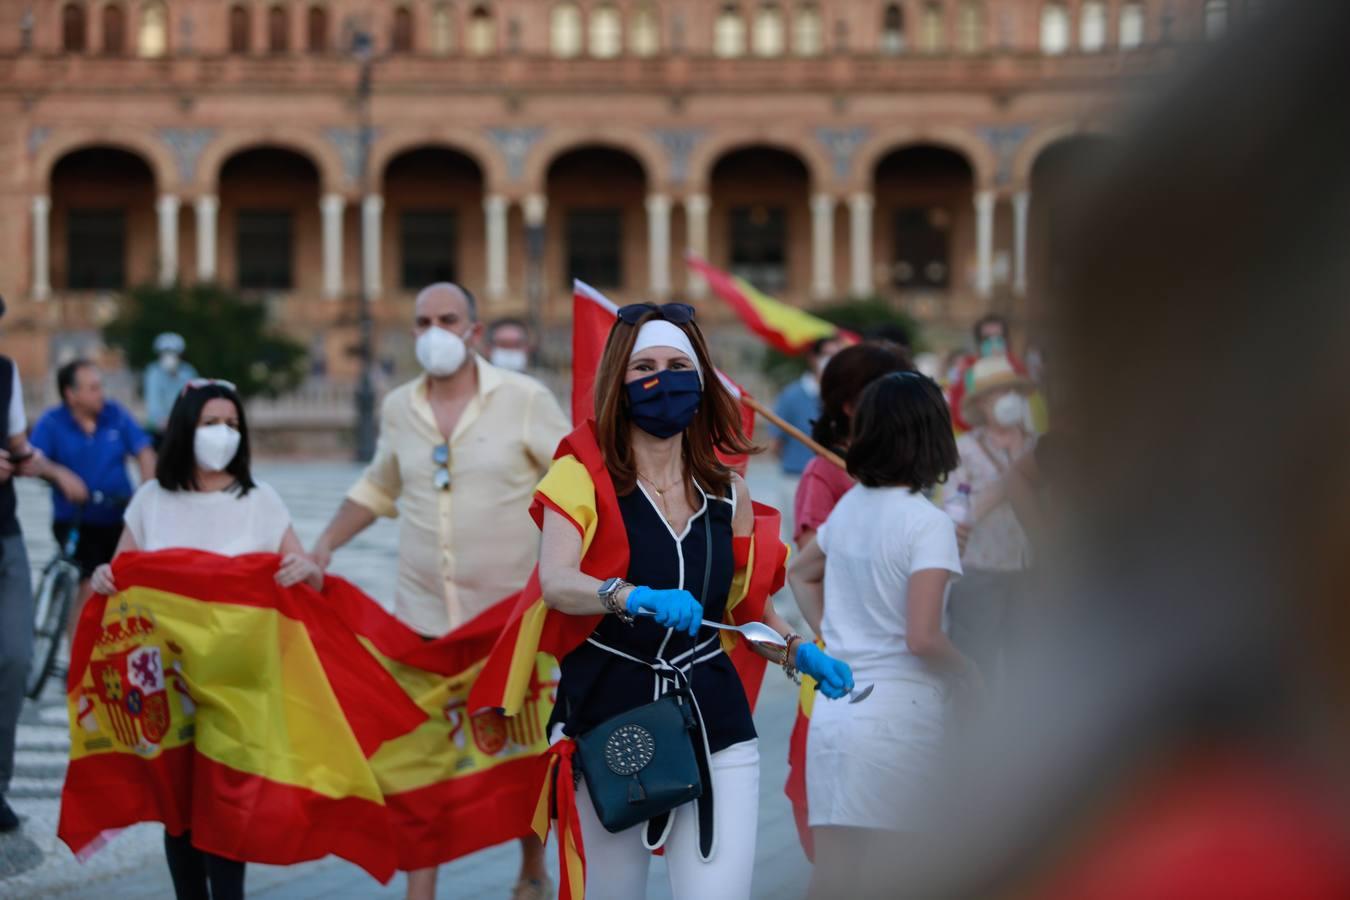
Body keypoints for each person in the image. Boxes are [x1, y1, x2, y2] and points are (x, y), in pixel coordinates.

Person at [535, 302, 854, 900]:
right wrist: (629, 596)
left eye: (679, 365)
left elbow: (742, 608)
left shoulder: (726, 487)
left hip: (714, 717)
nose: (663, 379)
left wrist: (796, 650)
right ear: (619, 384)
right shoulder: (579, 476)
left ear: (702, 379)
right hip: (607, 715)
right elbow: (556, 581)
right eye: (645, 366)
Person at [309, 282, 568, 900]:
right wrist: (321, 547)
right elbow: (378, 487)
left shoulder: (524, 399)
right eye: (423, 320)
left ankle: (532, 868)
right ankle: (420, 889)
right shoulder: (400, 407)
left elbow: (571, 483)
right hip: (424, 619)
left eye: (447, 319)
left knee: (518, 751)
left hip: (509, 619)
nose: (435, 331)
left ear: (473, 330)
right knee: (422, 760)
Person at [89, 379, 323, 900]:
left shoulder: (260, 500)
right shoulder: (151, 499)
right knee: (179, 811)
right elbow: (122, 571)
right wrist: (106, 578)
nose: (223, 434)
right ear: (185, 428)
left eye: (232, 424)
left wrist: (306, 569)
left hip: (239, 682)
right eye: (211, 423)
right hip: (168, 682)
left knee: (227, 800)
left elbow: (309, 577)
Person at [787, 371, 977, 898]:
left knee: (834, 877)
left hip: (836, 713)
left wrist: (836, 634)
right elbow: (923, 638)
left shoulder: (850, 507)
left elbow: (800, 572)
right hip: (901, 718)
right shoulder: (926, 522)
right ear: (931, 435)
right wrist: (974, 674)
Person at [30, 359, 155, 635]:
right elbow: (32, 461)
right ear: (71, 394)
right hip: (75, 520)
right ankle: (78, 661)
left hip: (118, 519)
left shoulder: (116, 415)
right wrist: (59, 473)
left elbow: (144, 452)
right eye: (93, 388)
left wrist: (147, 496)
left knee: (135, 584)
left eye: (101, 387)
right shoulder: (52, 422)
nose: (101, 394)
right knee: (88, 584)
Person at [944, 354, 1036, 682]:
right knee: (976, 663)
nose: (1008, 399)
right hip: (980, 573)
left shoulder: (1039, 446)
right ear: (981, 404)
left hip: (1033, 573)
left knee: (1030, 667)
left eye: (1012, 390)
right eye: (998, 392)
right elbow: (956, 515)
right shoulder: (963, 450)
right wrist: (1011, 481)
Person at [792, 342, 912, 549]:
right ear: (850, 406)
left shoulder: (899, 460)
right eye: (889, 397)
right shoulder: (823, 470)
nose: (902, 407)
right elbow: (808, 554)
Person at [770, 337, 844, 496]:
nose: (830, 360)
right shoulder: (791, 395)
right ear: (812, 357)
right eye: (826, 354)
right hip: (796, 478)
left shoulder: (845, 395)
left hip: (836, 479)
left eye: (836, 355)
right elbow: (776, 443)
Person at [946, 315, 1030, 433]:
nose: (994, 343)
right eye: (987, 338)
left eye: (999, 337)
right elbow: (959, 413)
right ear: (978, 343)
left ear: (1007, 340)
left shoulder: (1017, 369)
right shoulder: (968, 372)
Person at [143, 333, 199, 448]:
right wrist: (161, 420)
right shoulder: (153, 372)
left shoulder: (189, 372)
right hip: (158, 430)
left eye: (173, 353)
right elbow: (153, 402)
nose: (169, 357)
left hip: (184, 427)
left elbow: (194, 399)